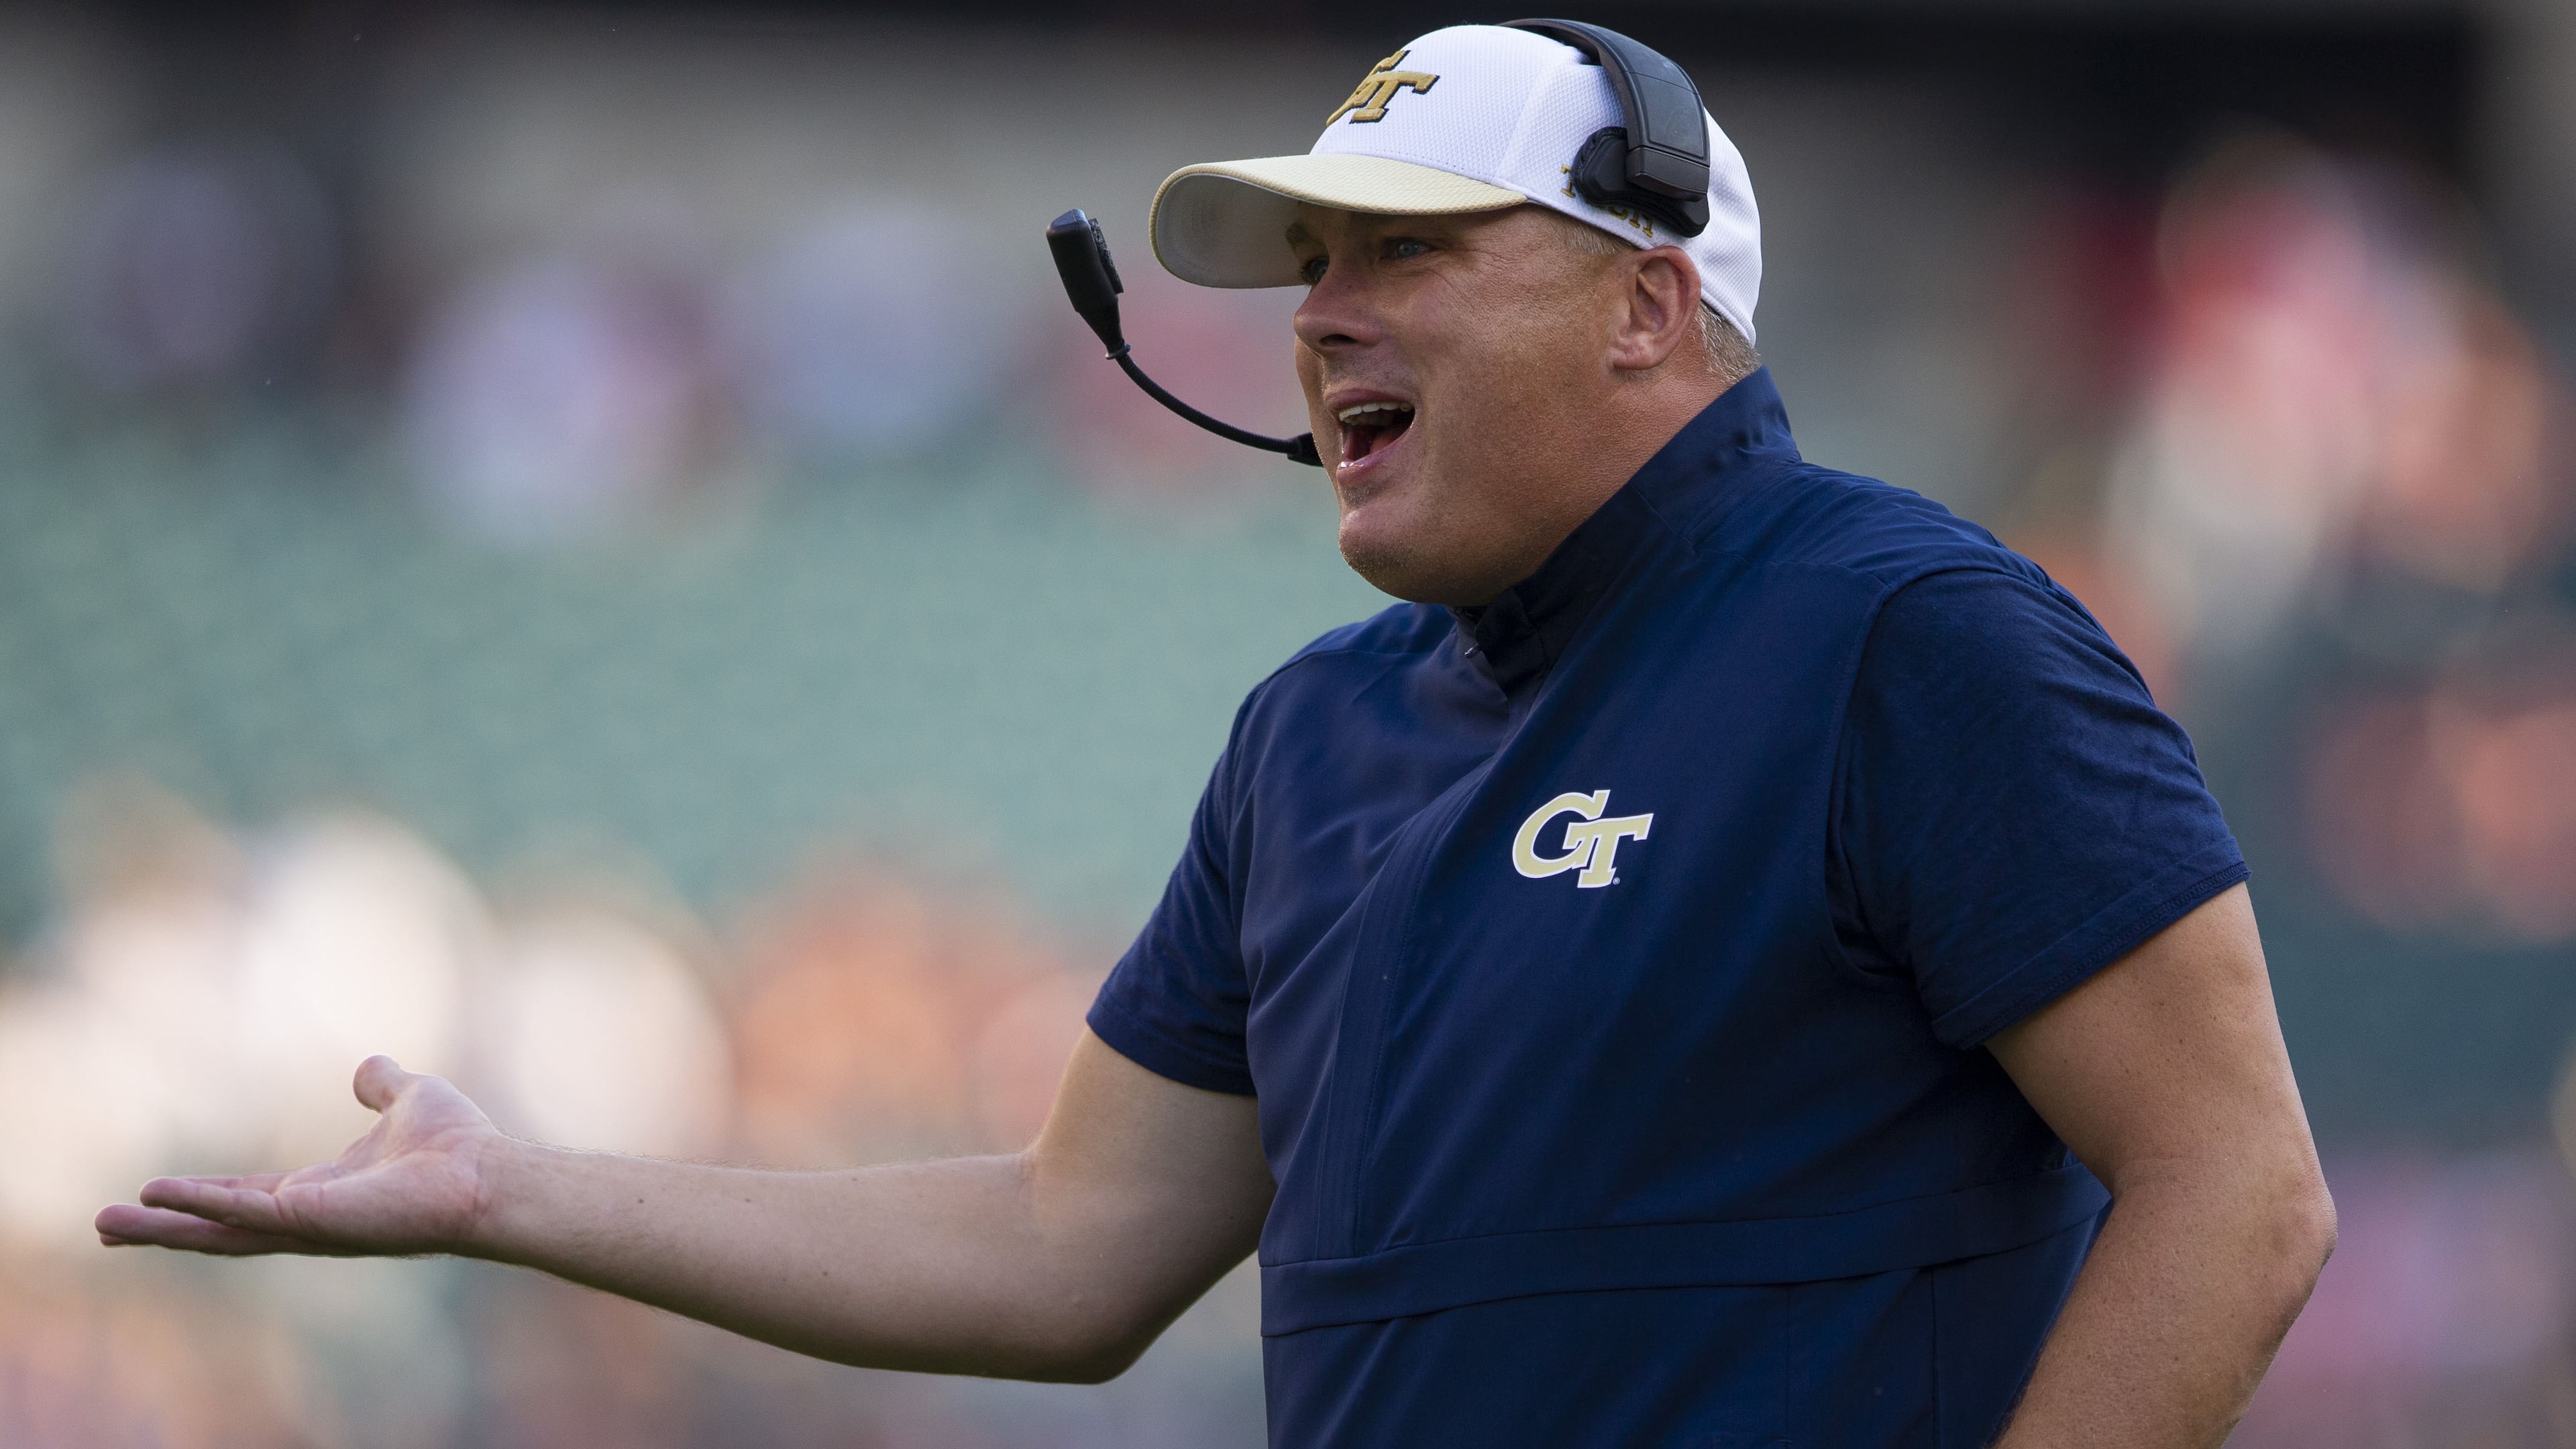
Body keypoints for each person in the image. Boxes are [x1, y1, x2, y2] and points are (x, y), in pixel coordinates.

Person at [99, 22, 2334, 1448]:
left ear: (1655, 306)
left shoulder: (1910, 635)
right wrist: (519, 1193)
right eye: (1308, 273)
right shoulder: (1315, 739)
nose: (1321, 317)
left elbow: (2239, 1195)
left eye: (1411, 254)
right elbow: (1069, 1256)